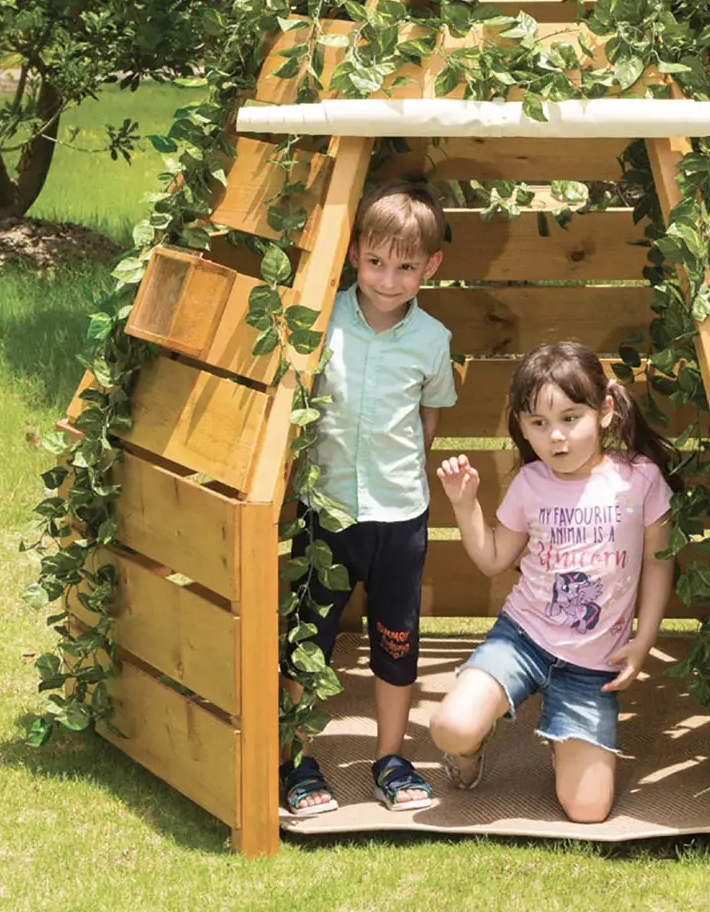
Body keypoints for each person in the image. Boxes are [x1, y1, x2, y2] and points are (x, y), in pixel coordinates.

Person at [429, 341, 677, 824]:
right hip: (523, 638)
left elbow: (658, 562)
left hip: (592, 667)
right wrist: (464, 504)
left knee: (588, 810)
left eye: (570, 418)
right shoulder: (530, 483)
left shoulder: (640, 478)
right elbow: (493, 559)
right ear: (522, 426)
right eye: (538, 423)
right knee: (451, 727)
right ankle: (471, 747)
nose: (556, 437)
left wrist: (643, 640)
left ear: (605, 411)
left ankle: (561, 739)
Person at [279, 179, 456, 816]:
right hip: (326, 511)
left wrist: (398, 473)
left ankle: (390, 759)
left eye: (406, 267)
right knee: (309, 637)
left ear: (430, 266)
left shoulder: (432, 340)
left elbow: (428, 419)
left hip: (399, 518)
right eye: (376, 261)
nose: (387, 279)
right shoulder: (322, 321)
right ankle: (296, 760)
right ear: (354, 253)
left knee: (396, 640)